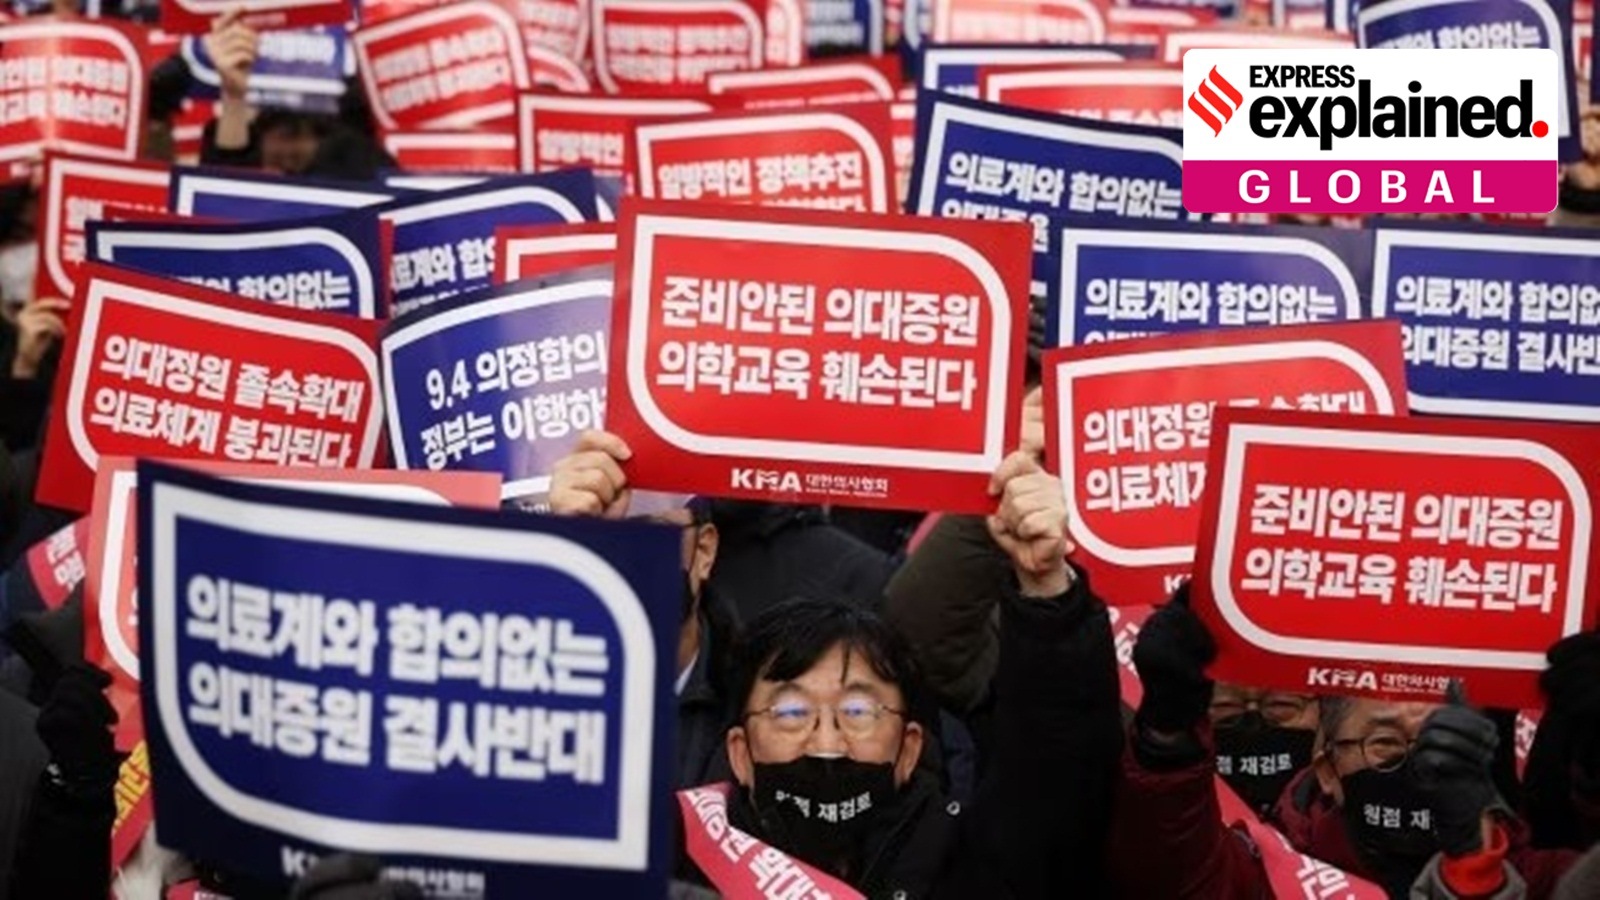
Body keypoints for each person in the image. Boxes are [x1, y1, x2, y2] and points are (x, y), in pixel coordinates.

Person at [675, 447, 1120, 897]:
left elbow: (1056, 778)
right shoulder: (679, 865)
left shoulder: (968, 869)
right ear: (739, 752)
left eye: (857, 711)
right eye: (791, 712)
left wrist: (1048, 592)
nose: (826, 745)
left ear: (909, 748)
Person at [1111, 588, 1578, 899]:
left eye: (1446, 747)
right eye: (1385, 744)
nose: (1423, 768)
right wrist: (1168, 732)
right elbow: (1176, 865)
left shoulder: (1554, 882)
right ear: (1328, 768)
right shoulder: (1266, 874)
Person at [548, 430, 740, 789]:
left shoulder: (752, 693)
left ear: (704, 553)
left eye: (655, 534)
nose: (632, 555)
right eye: (614, 536)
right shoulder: (533, 681)